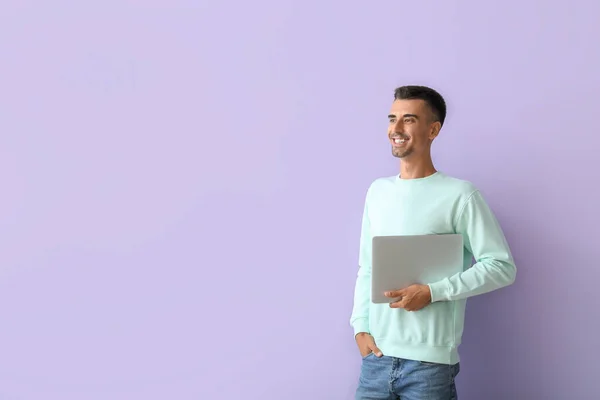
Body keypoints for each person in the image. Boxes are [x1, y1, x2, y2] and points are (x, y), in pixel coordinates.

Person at [350, 85, 516, 400]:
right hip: (376, 358)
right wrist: (360, 327)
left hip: (429, 365)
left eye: (409, 120)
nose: (396, 129)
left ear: (433, 129)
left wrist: (432, 292)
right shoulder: (378, 191)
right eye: (392, 119)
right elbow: (367, 266)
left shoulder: (460, 195)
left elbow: (501, 266)